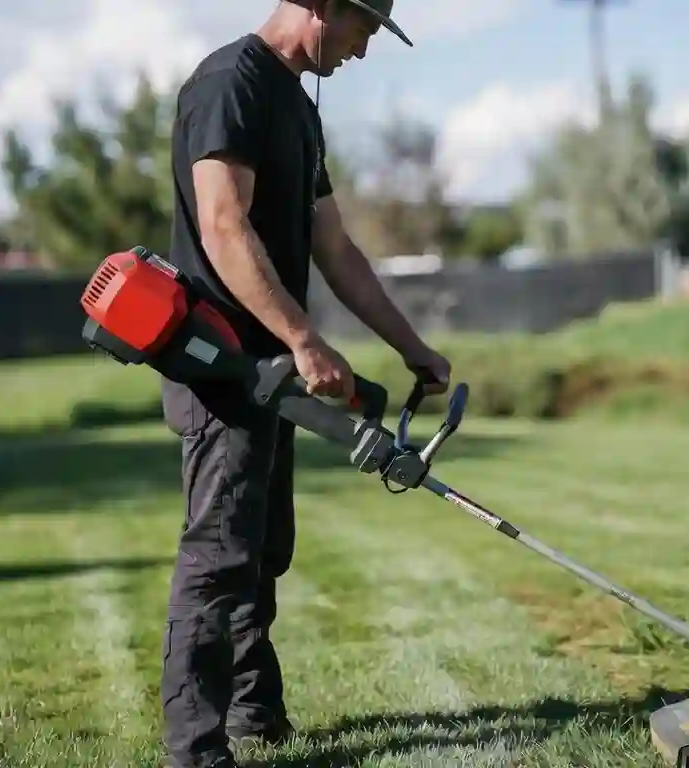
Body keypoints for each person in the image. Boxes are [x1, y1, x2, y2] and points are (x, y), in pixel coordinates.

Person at [157, 1, 450, 766]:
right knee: (219, 559)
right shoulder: (229, 83)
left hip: (273, 375)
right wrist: (302, 336)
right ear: (319, 4)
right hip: (223, 367)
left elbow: (334, 245)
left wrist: (414, 349)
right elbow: (224, 223)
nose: (363, 49)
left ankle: (256, 714)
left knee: (262, 553)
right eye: (362, 27)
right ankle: (195, 749)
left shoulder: (295, 104)